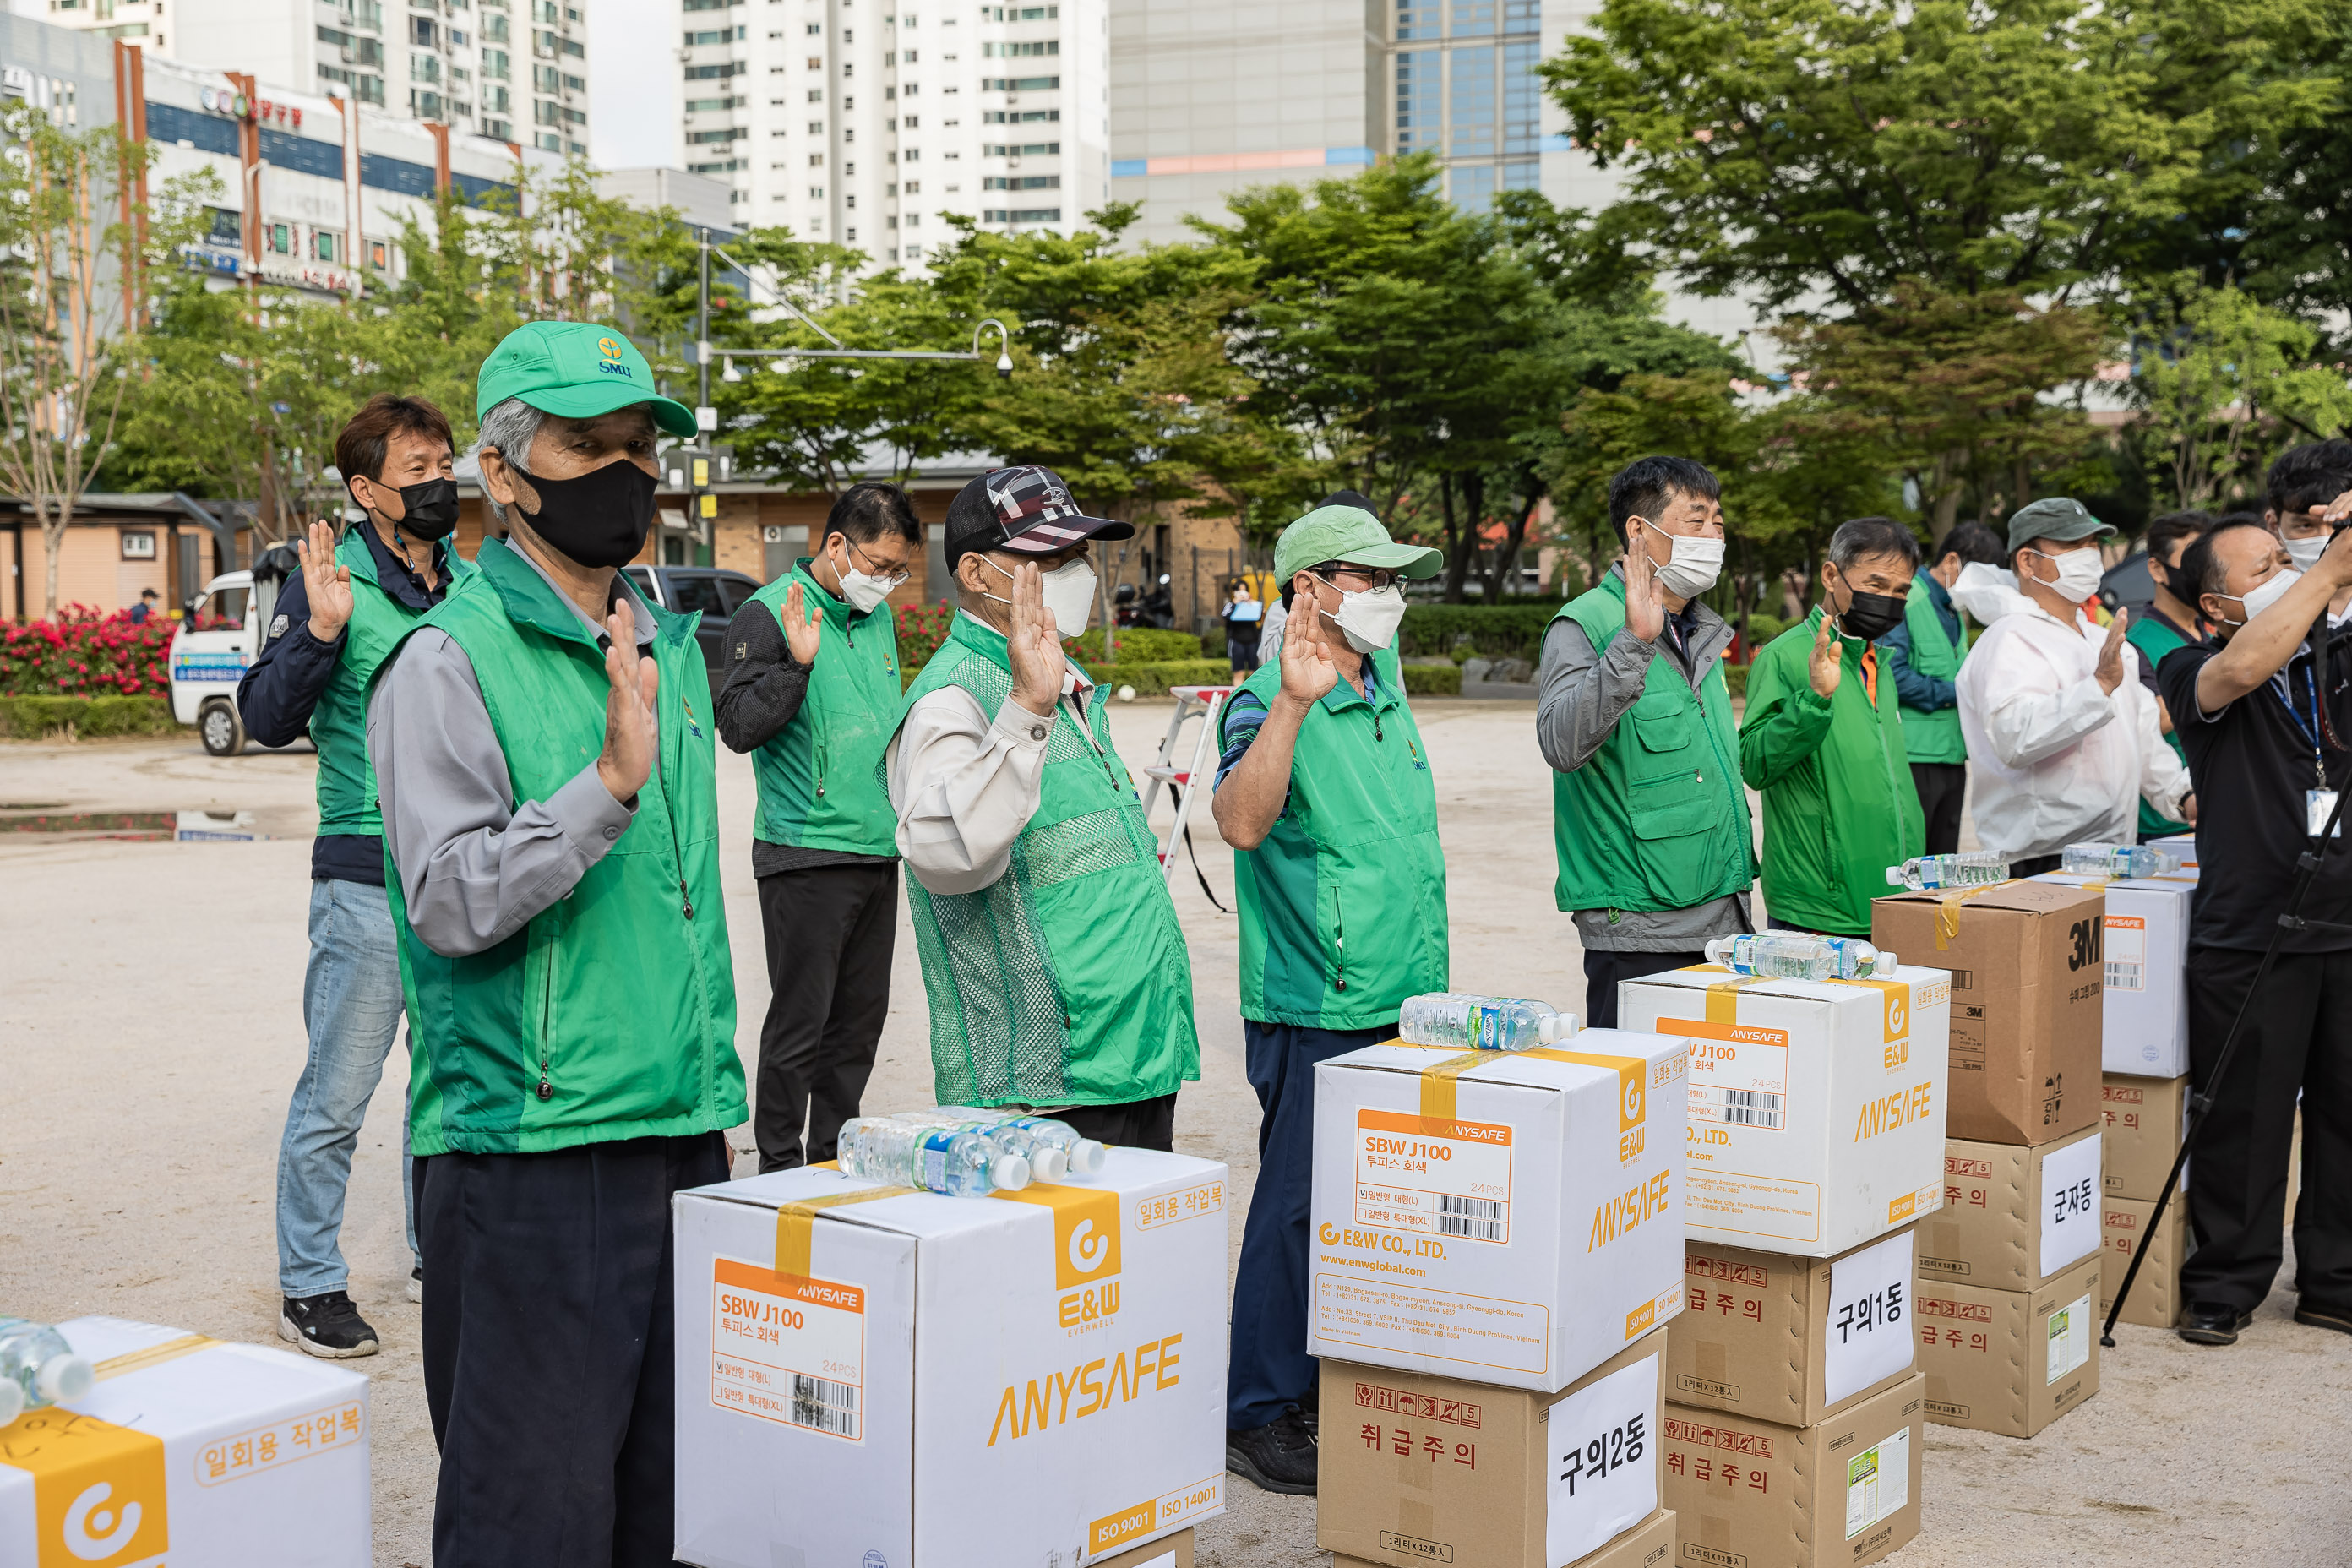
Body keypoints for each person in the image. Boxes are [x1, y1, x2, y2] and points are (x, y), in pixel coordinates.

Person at [368, 323, 745, 1567]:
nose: (627, 471)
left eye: (640, 444)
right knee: (534, 1521)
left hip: (678, 1129)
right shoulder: (445, 659)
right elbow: (447, 899)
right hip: (531, 1153)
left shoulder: (654, 647)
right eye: (590, 444)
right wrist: (603, 787)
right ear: (505, 471)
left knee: (667, 1509)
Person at [1211, 500, 1448, 1498]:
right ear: (1307, 587)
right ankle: (1258, 1408)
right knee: (1298, 1206)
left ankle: (1322, 1379)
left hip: (1406, 987)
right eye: (1367, 576)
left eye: (1395, 578)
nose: (1388, 595)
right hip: (1320, 996)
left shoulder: (1384, 683)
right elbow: (1238, 821)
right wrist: (1294, 706)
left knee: (1368, 1208)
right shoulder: (1267, 697)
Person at [235, 394, 469, 1358]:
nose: (440, 482)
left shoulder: (468, 581)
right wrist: (321, 630)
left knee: (450, 1086)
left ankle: (437, 1252)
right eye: (417, 470)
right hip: (366, 879)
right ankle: (311, 1283)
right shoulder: (326, 580)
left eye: (445, 463)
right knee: (338, 1093)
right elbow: (264, 712)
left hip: (459, 873)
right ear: (368, 489)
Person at [884, 464, 1200, 1151]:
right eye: (1047, 557)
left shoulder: (1064, 680)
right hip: (1047, 1078)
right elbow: (942, 855)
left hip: (1134, 1049)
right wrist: (1025, 711)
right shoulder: (954, 699)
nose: (1074, 570)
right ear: (976, 572)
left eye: (1079, 553)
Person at [2157, 514, 2352, 1346]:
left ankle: (2334, 1278)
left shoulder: (2334, 656)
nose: (2291, 567)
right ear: (2215, 601)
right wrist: (2325, 574)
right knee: (2246, 1115)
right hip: (2250, 928)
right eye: (2266, 564)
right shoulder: (2190, 666)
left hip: (2345, 920)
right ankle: (2225, 1282)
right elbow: (2244, 665)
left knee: (2346, 1115)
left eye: (2292, 555)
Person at [716, 483, 919, 1173]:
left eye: (899, 571)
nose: (887, 583)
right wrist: (796, 668)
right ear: (836, 545)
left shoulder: (876, 619)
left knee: (860, 1024)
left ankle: (833, 1157)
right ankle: (778, 1165)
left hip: (876, 850)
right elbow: (737, 726)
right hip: (805, 851)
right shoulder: (769, 613)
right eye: (880, 565)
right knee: (801, 1024)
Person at [1537, 455, 1756, 1027]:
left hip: (1721, 919)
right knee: (1633, 1111)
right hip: (1640, 929)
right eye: (1697, 521)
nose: (1714, 536)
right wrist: (1633, 642)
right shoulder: (1585, 623)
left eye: (1719, 523)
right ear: (1639, 530)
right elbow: (1562, 743)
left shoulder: (1700, 629)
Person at [1951, 497, 2192, 876]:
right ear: (2027, 561)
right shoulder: (2009, 639)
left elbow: (2142, 739)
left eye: (2093, 545)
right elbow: (2014, 737)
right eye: (2071, 546)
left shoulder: (2105, 641)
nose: (2089, 556)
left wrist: (2184, 797)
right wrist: (2097, 687)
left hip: (2113, 848)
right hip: (2041, 858)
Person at [1740, 518, 1926, 934]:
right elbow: (1754, 764)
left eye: (1901, 592)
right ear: (1831, 575)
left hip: (1895, 897)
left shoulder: (1882, 662)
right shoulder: (1785, 657)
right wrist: (1814, 700)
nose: (1889, 601)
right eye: (1876, 585)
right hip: (1819, 904)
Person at [1879, 522, 2006, 856]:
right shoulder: (1908, 597)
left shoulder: (1952, 611)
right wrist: (1960, 693)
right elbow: (1892, 674)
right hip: (1914, 756)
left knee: (1942, 863)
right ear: (1952, 562)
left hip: (1951, 755)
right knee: (1912, 861)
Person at [2127, 511, 2211, 842]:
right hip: (2164, 825)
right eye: (2191, 559)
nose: (2202, 571)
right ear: (2157, 568)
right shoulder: (2136, 644)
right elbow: (2149, 720)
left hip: (2209, 807)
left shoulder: (2210, 633)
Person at [2268, 440, 2352, 623]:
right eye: (2306, 526)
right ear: (2274, 525)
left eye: (2339, 524)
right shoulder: (2264, 608)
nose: (2325, 538)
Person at [1223, 577, 1264, 675]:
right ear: (1234, 592)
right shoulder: (1230, 605)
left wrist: (1252, 604)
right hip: (1237, 641)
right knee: (1238, 672)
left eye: (1244, 590)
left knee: (1253, 672)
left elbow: (1260, 618)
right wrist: (1235, 603)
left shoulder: (1253, 605)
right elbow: (1225, 615)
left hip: (1252, 641)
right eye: (1239, 590)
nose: (1242, 593)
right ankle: (1238, 689)